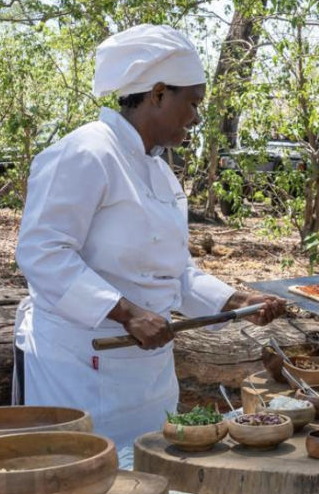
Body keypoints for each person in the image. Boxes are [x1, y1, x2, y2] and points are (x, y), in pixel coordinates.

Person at [14, 24, 284, 448]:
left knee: (153, 475)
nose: (196, 117)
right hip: (83, 364)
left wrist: (236, 301)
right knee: (91, 488)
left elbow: (175, 272)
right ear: (158, 93)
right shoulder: (85, 152)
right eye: (192, 103)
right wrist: (127, 313)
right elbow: (42, 253)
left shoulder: (158, 170)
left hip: (149, 371)